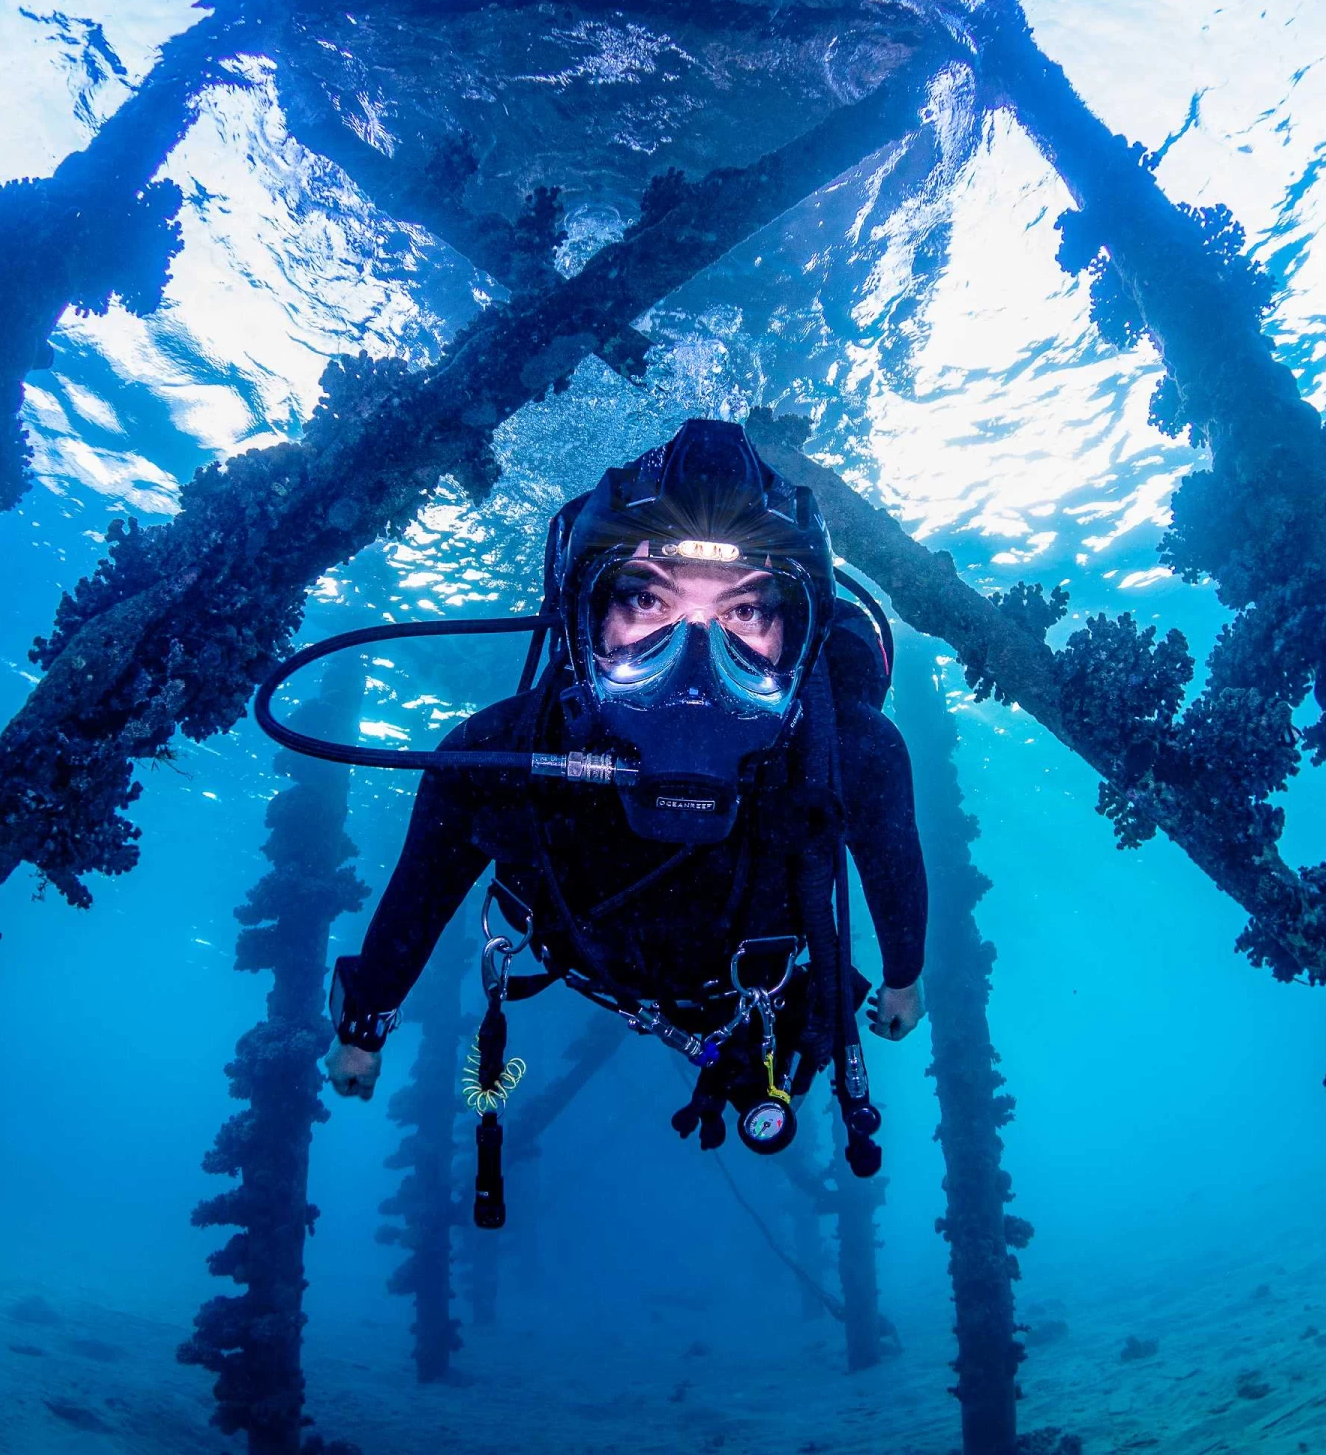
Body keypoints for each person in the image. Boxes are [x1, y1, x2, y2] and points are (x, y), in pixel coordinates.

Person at [323, 418, 927, 1171]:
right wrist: (365, 1023)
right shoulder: (495, 756)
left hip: (744, 994)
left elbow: (894, 869)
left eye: (744, 612)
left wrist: (903, 977)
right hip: (603, 965)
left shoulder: (854, 752)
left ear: (798, 637)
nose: (696, 666)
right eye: (646, 603)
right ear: (584, 623)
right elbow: (421, 893)